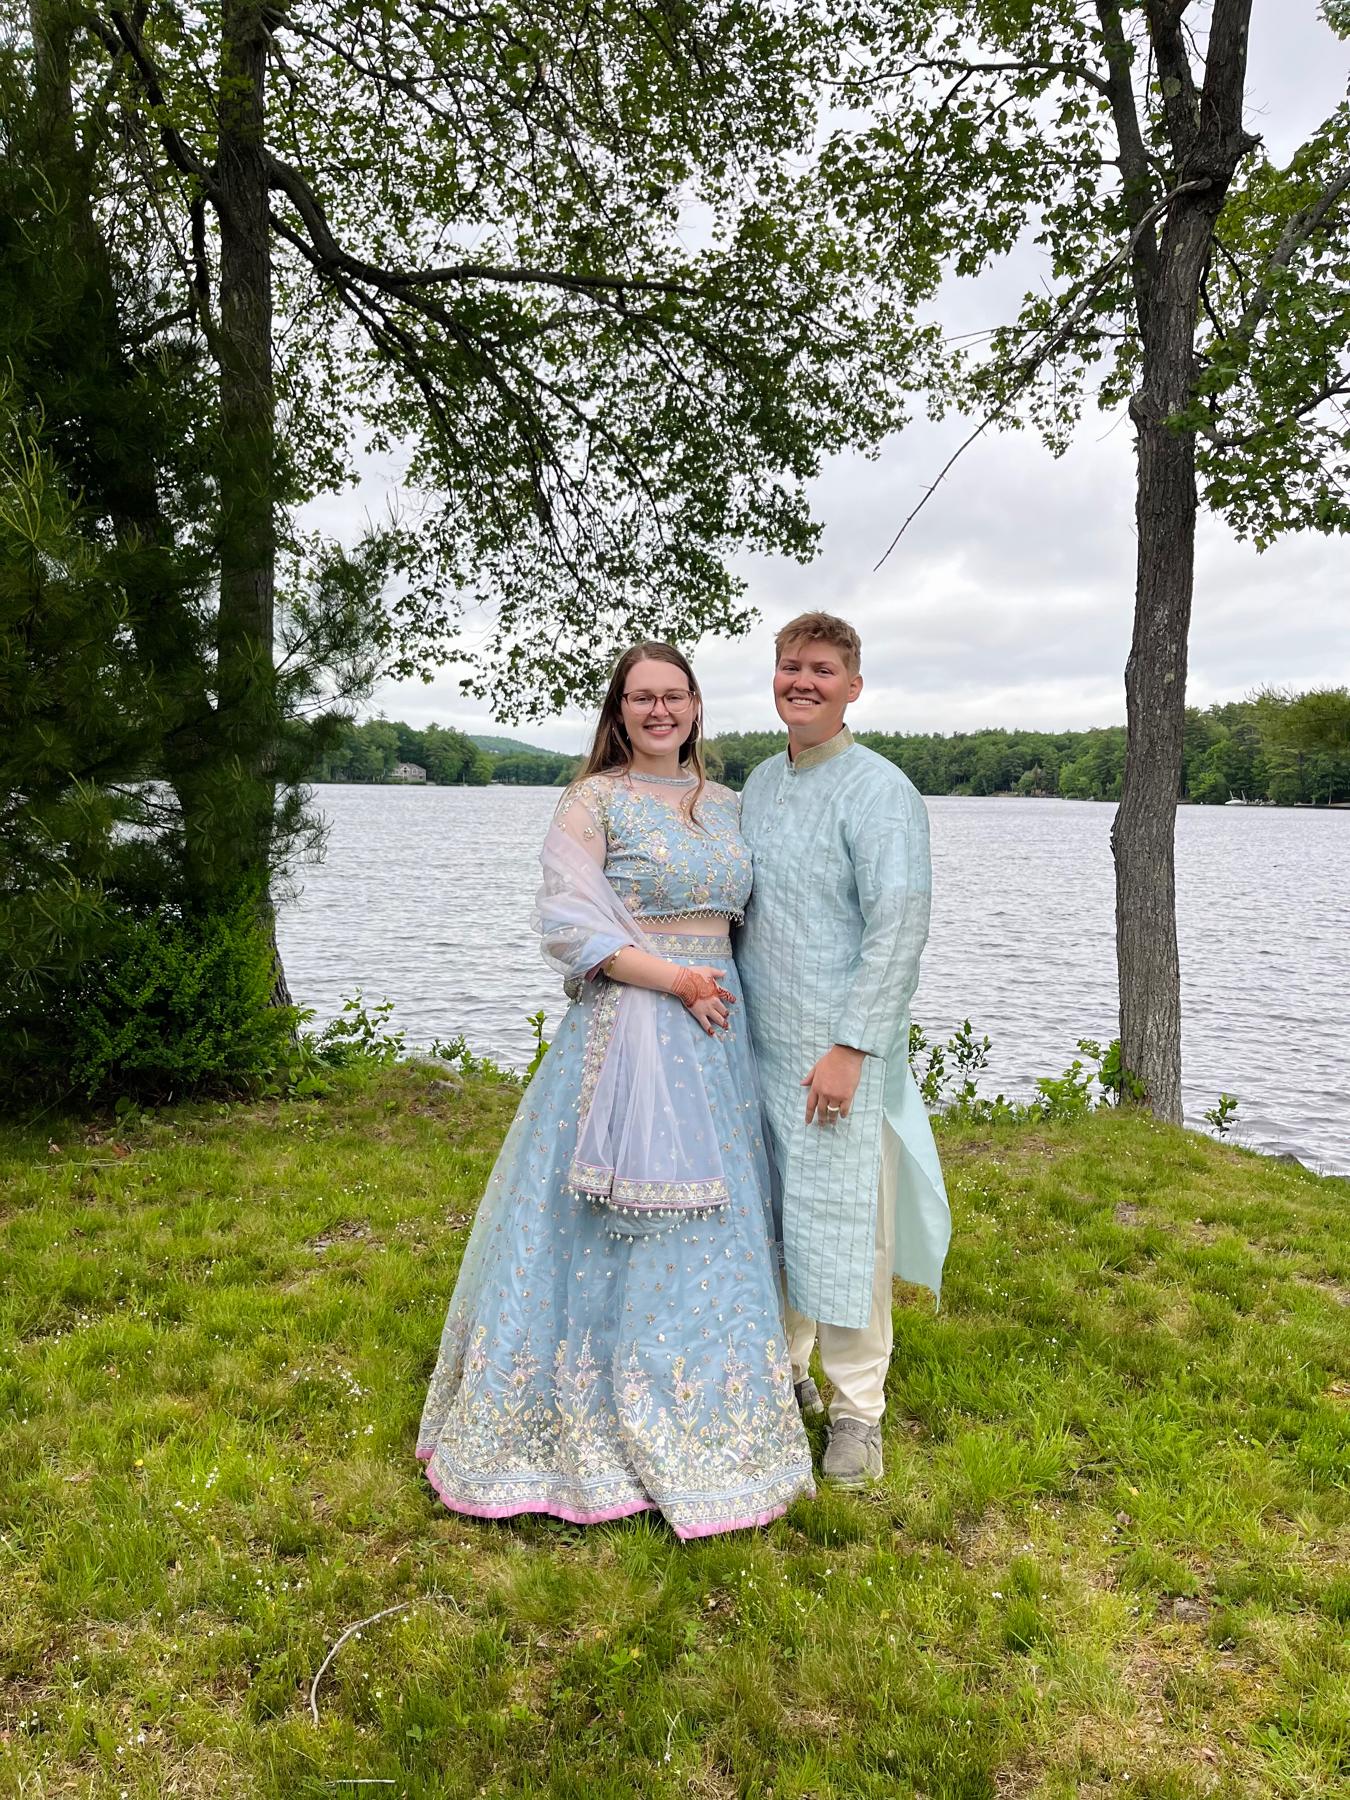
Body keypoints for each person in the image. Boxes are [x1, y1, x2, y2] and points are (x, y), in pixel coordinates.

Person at [417, 643, 813, 1537]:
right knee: (603, 1220)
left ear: (697, 706)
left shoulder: (730, 805)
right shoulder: (593, 800)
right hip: (633, 1021)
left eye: (674, 696)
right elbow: (567, 920)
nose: (659, 711)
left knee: (718, 1212)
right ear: (620, 711)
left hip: (721, 1033)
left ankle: (715, 1395)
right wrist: (675, 982)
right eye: (642, 698)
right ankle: (581, 1405)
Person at [736, 611, 951, 1488]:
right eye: (791, 668)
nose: (804, 683)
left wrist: (853, 1046)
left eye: (823, 670)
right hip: (757, 1043)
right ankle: (785, 1375)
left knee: (847, 1226)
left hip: (838, 1057)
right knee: (774, 1214)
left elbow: (899, 926)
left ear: (854, 685)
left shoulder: (879, 789)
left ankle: (857, 1410)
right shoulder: (757, 781)